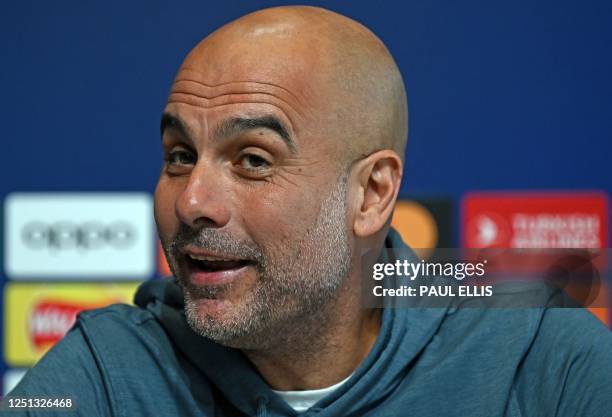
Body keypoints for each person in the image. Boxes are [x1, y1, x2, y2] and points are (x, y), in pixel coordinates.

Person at [6, 6, 612, 417]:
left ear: (371, 195)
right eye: (180, 155)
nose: (191, 201)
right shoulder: (109, 369)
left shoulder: (538, 353)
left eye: (252, 160)